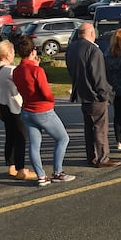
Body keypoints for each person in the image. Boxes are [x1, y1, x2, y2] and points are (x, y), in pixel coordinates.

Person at [12, 37, 74, 185]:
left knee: (34, 145)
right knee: (62, 138)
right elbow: (46, 93)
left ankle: (41, 176)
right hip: (42, 110)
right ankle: (57, 172)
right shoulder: (37, 70)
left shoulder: (16, 71)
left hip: (27, 109)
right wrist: (51, 99)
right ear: (33, 51)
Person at [66, 22, 119, 168]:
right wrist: (106, 95)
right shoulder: (93, 51)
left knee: (89, 127)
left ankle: (92, 156)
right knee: (99, 127)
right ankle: (102, 158)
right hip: (95, 95)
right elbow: (99, 77)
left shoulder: (72, 48)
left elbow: (70, 70)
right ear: (91, 34)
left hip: (82, 93)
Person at [0, 39, 34, 180]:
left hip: (3, 106)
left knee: (10, 136)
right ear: (8, 53)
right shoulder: (10, 70)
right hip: (15, 106)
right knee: (21, 137)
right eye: (13, 52)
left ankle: (11, 165)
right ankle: (21, 169)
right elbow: (25, 82)